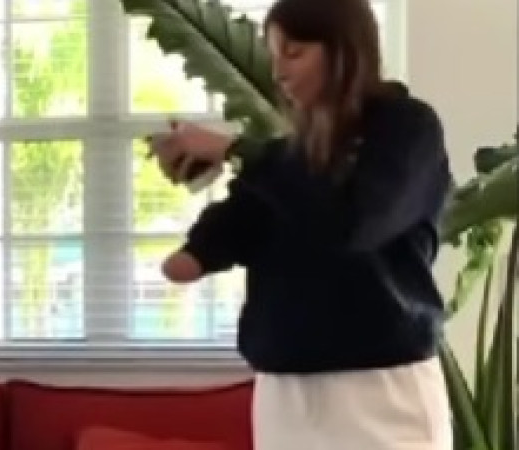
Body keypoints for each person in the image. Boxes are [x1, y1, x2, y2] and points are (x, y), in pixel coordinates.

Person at [148, 0, 454, 449]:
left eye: (294, 53)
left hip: (382, 390)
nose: (279, 73)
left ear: (345, 50)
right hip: (285, 396)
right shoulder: (290, 157)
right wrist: (199, 243)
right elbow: (225, 235)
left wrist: (236, 150)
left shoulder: (407, 128)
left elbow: (355, 222)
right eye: (274, 57)